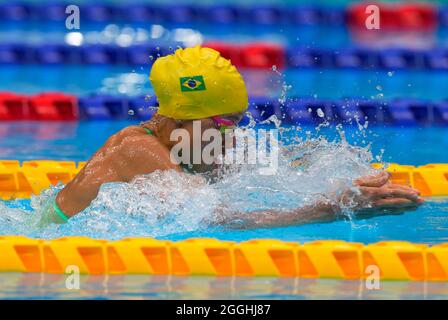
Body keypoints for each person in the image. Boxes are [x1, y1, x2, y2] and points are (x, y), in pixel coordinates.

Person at [40, 46, 423, 227]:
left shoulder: (193, 142)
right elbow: (218, 221)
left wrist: (338, 177)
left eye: (237, 123)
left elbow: (272, 168)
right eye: (223, 123)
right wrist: (328, 209)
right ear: (179, 118)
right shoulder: (138, 149)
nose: (232, 136)